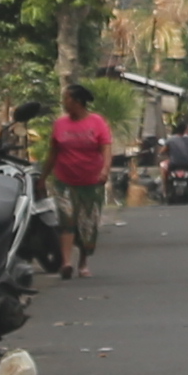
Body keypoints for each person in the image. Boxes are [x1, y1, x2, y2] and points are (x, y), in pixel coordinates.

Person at [47, 83, 115, 274]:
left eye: (66, 98)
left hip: (91, 182)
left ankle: (83, 262)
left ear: (77, 102)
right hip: (64, 181)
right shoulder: (60, 124)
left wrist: (105, 170)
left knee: (87, 224)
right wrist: (42, 177)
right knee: (66, 220)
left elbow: (106, 149)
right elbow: (53, 152)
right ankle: (66, 263)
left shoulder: (97, 122)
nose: (64, 102)